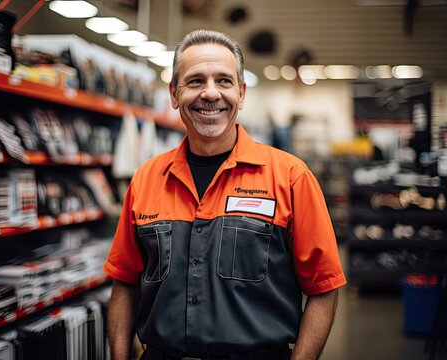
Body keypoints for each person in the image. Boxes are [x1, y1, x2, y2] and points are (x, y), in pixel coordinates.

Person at [104, 29, 346, 360]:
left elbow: (324, 288)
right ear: (174, 93)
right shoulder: (146, 179)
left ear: (242, 93)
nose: (210, 93)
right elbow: (125, 283)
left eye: (224, 81)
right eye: (194, 81)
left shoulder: (290, 177)